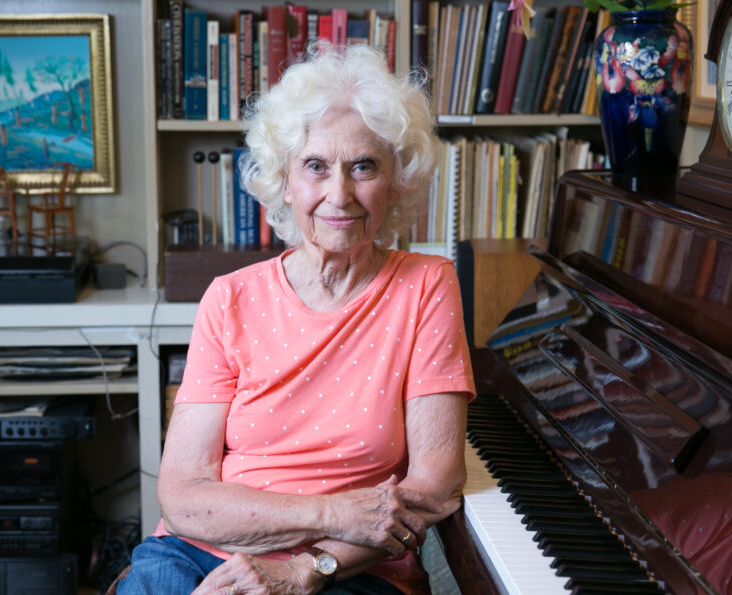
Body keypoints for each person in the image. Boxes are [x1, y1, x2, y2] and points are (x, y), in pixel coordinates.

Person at [118, 43, 475, 595]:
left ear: (396, 180)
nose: (340, 194)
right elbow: (184, 494)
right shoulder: (229, 298)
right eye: (315, 166)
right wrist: (333, 513)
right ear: (284, 181)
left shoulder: (425, 285)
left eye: (363, 166)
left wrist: (307, 567)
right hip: (199, 554)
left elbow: (435, 483)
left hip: (352, 567)